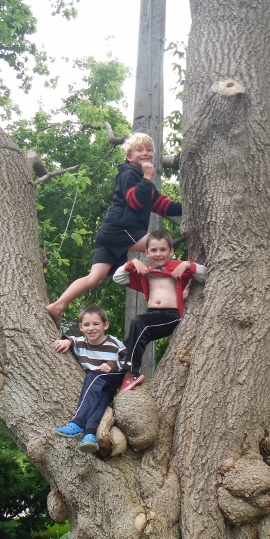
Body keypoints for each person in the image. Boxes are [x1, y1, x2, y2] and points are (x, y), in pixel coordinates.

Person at [46, 133, 183, 328]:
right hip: (121, 229)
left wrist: (186, 206)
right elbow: (134, 202)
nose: (145, 153)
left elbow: (163, 206)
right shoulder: (129, 173)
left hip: (110, 233)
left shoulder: (144, 182)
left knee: (95, 278)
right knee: (160, 248)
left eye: (149, 149)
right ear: (129, 156)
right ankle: (179, 281)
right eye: (139, 149)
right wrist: (147, 177)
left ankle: (57, 306)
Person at [113, 231, 207, 391]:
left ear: (171, 251)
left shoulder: (177, 267)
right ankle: (113, 369)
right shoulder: (145, 271)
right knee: (127, 345)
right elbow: (118, 277)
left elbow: (205, 274)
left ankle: (131, 373)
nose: (158, 254)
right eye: (154, 250)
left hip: (171, 316)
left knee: (138, 323)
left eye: (163, 250)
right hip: (152, 316)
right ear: (147, 252)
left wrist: (187, 265)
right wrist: (133, 263)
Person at [53, 306, 126, 453]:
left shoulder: (113, 342)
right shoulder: (81, 343)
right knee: (101, 400)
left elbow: (129, 360)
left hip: (113, 377)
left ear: (105, 325)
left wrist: (112, 365)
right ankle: (90, 434)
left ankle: (78, 422)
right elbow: (72, 340)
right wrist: (67, 342)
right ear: (81, 327)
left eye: (96, 324)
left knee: (92, 376)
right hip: (99, 386)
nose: (91, 328)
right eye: (86, 325)